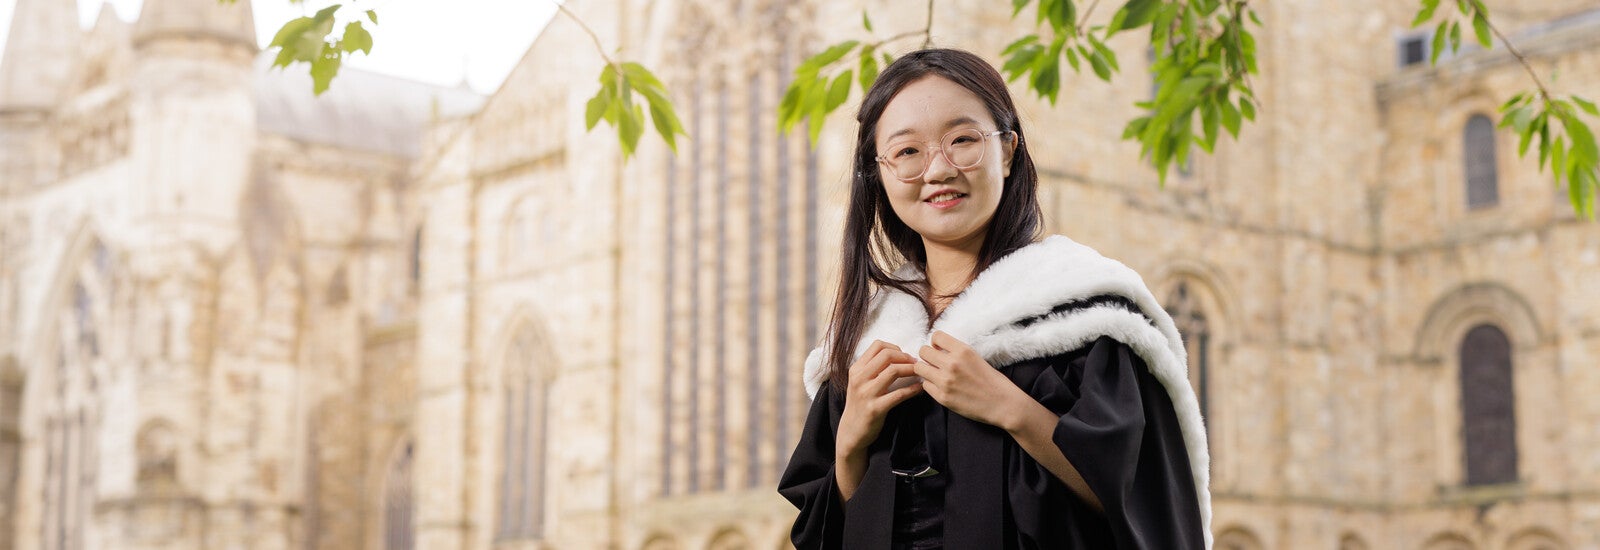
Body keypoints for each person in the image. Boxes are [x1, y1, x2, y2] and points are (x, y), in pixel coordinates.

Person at [777, 48, 1212, 549]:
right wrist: (850, 442)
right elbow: (826, 534)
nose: (938, 170)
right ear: (878, 174)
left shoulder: (1086, 312)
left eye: (963, 140)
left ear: (1007, 150)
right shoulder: (869, 339)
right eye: (907, 152)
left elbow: (1148, 506)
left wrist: (1010, 407)